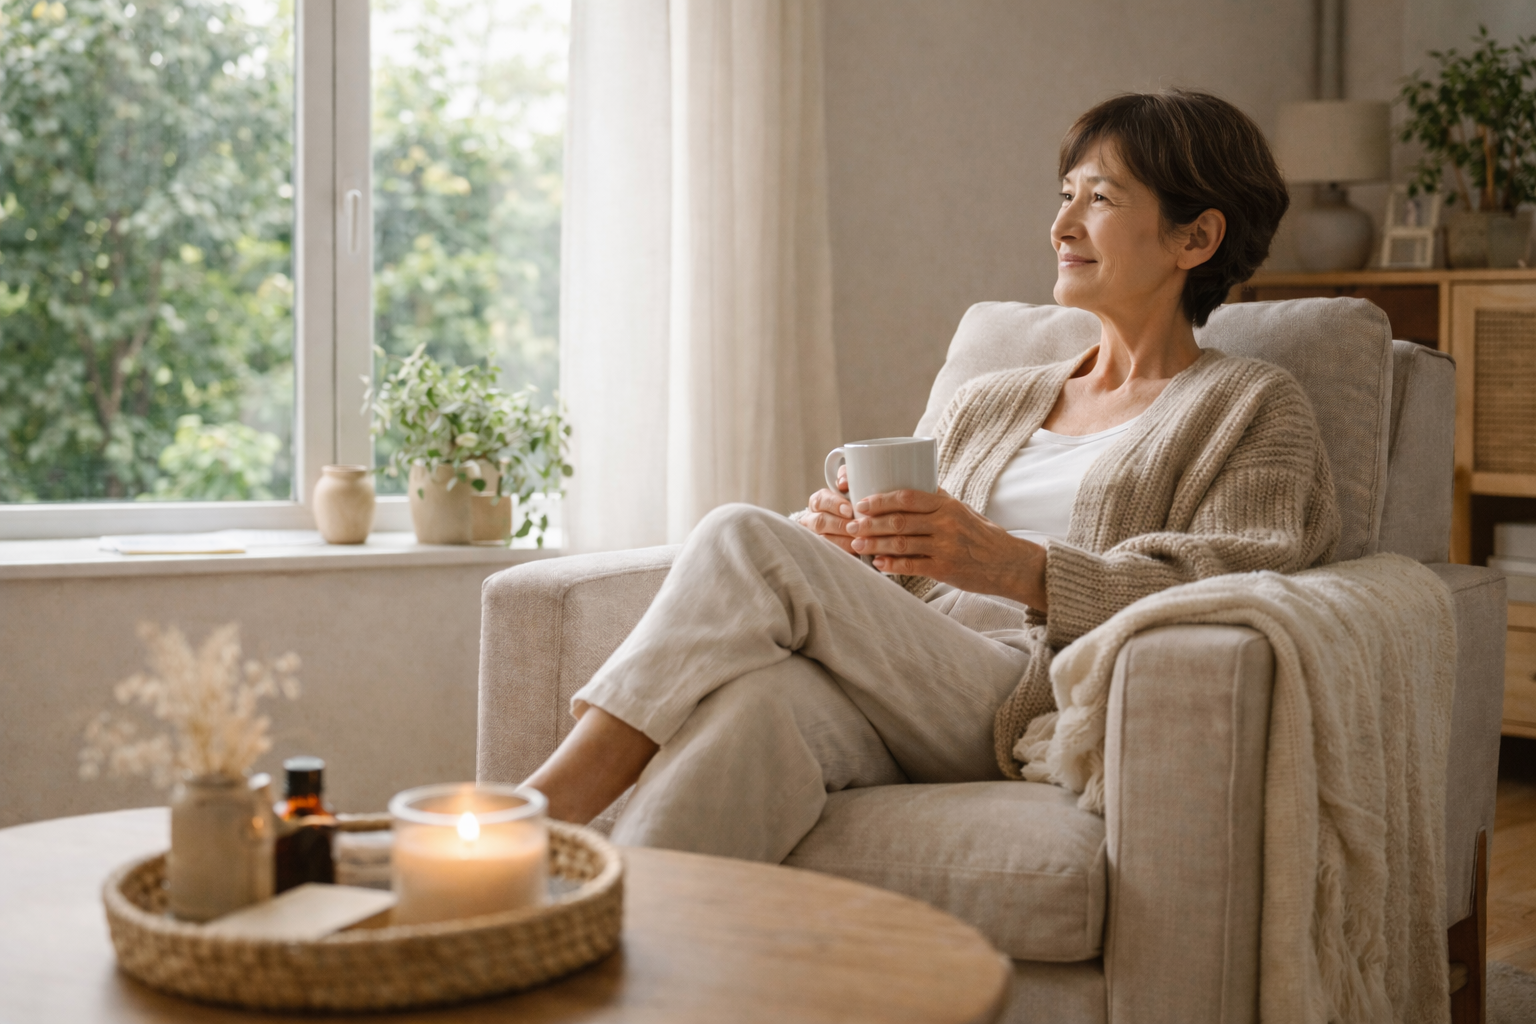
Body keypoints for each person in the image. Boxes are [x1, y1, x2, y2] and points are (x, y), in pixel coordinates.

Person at [522, 90, 1340, 861]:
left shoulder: (1252, 406)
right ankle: (591, 945)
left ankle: (539, 808)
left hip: (1032, 693)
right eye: (1064, 194)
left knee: (742, 533)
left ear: (1194, 239)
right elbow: (910, 576)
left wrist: (1016, 565)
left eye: (1101, 199)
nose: (1062, 224)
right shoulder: (991, 400)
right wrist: (850, 547)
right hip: (914, 679)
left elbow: (1237, 582)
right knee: (751, 713)